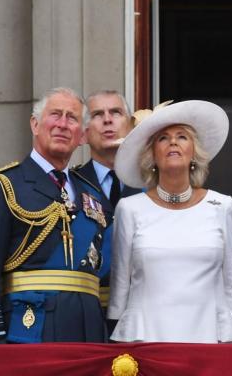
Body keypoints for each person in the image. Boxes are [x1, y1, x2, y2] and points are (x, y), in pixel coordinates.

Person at [0, 87, 108, 343]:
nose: (63, 124)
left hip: (89, 332)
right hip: (29, 329)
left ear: (83, 136)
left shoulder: (93, 195)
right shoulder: (2, 187)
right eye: (55, 115)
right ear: (35, 124)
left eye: (72, 118)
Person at [108, 100, 232, 342]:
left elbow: (229, 285)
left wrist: (231, 335)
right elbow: (120, 285)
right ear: (152, 155)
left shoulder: (221, 205)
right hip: (147, 339)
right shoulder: (129, 208)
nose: (173, 142)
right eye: (163, 138)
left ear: (194, 150)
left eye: (182, 136)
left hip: (207, 336)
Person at [72, 90, 142, 309]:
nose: (108, 120)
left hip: (141, 312)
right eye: (97, 115)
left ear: (131, 127)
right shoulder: (70, 185)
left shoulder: (151, 186)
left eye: (116, 112)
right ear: (83, 134)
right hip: (87, 311)